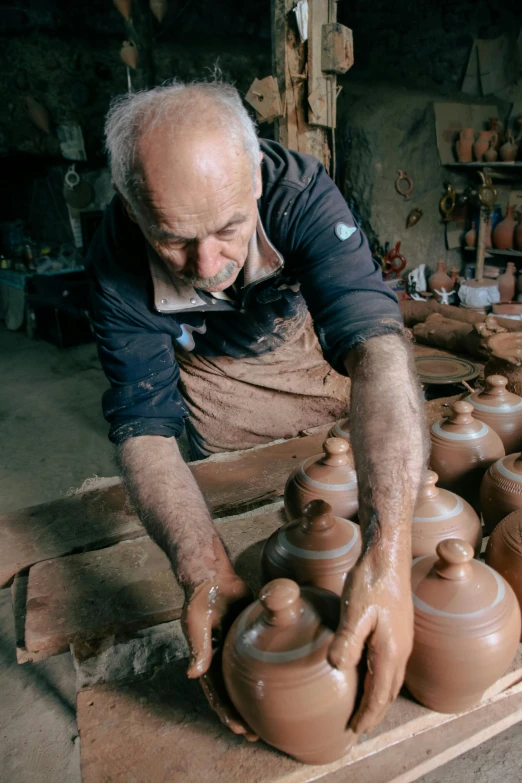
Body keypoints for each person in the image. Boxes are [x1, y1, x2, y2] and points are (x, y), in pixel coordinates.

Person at [87, 79, 426, 740]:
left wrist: (389, 554)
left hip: (300, 347)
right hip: (215, 376)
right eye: (176, 240)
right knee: (247, 520)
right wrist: (202, 570)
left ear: (254, 184)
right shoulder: (113, 257)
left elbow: (378, 353)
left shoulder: (298, 191)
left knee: (357, 476)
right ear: (133, 209)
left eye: (229, 229)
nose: (209, 263)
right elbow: (144, 428)